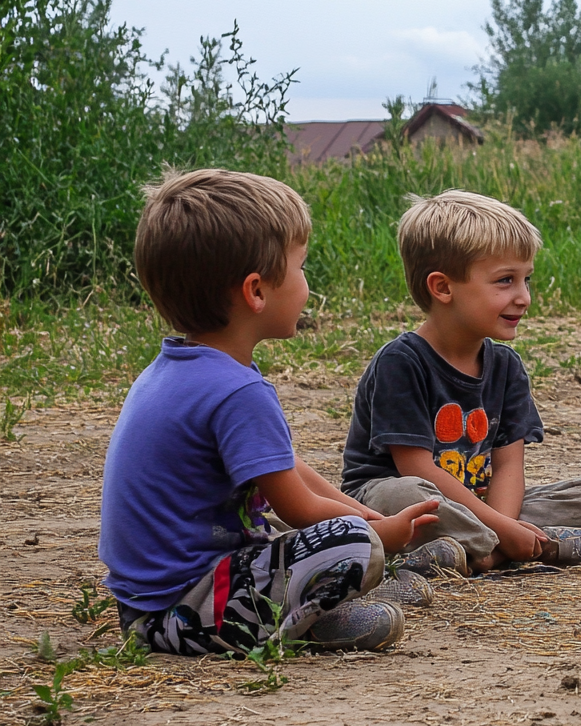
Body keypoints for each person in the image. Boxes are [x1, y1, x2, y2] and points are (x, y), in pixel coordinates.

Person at [100, 169, 439, 656]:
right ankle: (312, 615)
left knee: (330, 531)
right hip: (187, 609)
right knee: (348, 543)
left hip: (148, 602)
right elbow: (297, 508)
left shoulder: (181, 368)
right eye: (301, 267)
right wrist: (375, 533)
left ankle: (314, 605)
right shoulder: (237, 390)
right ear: (256, 291)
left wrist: (360, 510)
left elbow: (286, 467)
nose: (307, 283)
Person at [342, 191, 581, 573]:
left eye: (526, 280)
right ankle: (519, 549)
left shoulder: (505, 367)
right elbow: (415, 469)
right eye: (505, 281)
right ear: (442, 288)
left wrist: (503, 524)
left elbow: (508, 467)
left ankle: (476, 555)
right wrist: (503, 530)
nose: (524, 297)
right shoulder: (401, 362)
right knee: (406, 495)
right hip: (396, 500)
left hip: (477, 504)